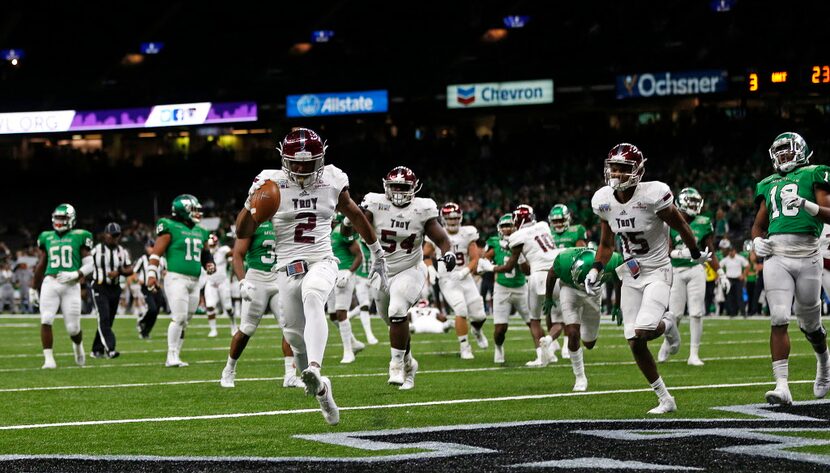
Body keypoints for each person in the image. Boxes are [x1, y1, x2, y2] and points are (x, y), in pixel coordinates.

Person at [235, 128, 388, 425]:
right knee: (294, 339)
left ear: (321, 159)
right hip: (286, 269)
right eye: (296, 163)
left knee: (314, 294)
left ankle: (316, 368)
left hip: (322, 259)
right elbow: (242, 231)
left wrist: (378, 253)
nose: (302, 169)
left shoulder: (332, 179)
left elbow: (355, 215)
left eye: (309, 163)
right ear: (284, 159)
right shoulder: (268, 181)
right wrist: (251, 205)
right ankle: (320, 389)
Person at [589, 143, 709, 414]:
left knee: (644, 330)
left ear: (638, 171)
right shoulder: (604, 200)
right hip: (631, 274)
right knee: (634, 340)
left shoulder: (653, 194)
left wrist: (695, 252)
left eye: (623, 169)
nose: (617, 174)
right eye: (614, 169)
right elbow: (606, 244)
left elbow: (682, 225)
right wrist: (596, 268)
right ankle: (665, 398)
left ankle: (668, 324)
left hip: (657, 271)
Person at [751, 132, 830, 405]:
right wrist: (756, 242)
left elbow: (829, 211)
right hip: (777, 255)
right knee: (779, 317)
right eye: (780, 151)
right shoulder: (768, 182)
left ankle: (824, 361)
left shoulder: (815, 173)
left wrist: (808, 205)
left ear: (801, 151)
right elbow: (759, 225)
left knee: (810, 325)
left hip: (808, 254)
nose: (784, 156)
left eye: (788, 150)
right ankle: (782, 385)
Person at [358, 166, 455, 389]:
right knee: (393, 321)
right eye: (395, 187)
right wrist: (348, 224)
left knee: (398, 310)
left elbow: (441, 238)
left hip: (410, 268)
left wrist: (447, 252)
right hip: (382, 271)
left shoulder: (422, 208)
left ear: (414, 188)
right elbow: (359, 223)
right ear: (386, 188)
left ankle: (396, 365)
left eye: (404, 187)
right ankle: (409, 362)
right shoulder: (375, 203)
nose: (399, 192)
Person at [220, 220, 304, 389]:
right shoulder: (254, 224)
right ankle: (229, 369)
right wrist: (242, 281)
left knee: (289, 327)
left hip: (280, 277)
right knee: (247, 329)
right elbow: (237, 254)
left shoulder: (287, 222)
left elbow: (294, 257)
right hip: (256, 278)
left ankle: (290, 375)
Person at [146, 194, 215, 367]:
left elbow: (205, 253)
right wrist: (151, 274)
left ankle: (176, 354)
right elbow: (156, 253)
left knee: (186, 319)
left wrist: (209, 263)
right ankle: (171, 356)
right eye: (193, 210)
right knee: (179, 317)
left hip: (195, 280)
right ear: (182, 211)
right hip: (176, 278)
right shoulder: (170, 227)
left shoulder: (201, 231)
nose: (198, 213)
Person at [659, 187, 724, 366]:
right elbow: (667, 249)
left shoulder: (703, 222)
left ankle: (693, 354)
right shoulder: (671, 220)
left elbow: (710, 250)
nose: (695, 206)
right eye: (691, 202)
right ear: (681, 203)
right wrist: (681, 254)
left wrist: (720, 272)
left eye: (697, 203)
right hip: (676, 271)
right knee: (675, 314)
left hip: (696, 270)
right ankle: (667, 342)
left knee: (696, 312)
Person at [544, 247, 624, 391]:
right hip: (570, 289)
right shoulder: (564, 261)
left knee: (589, 343)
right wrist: (548, 297)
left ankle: (582, 331)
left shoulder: (612, 260)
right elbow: (551, 274)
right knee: (573, 333)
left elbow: (619, 280)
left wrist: (617, 305)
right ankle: (580, 377)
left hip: (594, 293)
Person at [491, 204, 561, 367]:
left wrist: (490, 267)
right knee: (559, 320)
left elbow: (511, 266)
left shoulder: (517, 236)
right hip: (556, 273)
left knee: (534, 320)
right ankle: (549, 340)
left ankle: (540, 356)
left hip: (536, 276)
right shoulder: (543, 226)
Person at [32, 204, 95, 369]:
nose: (59, 221)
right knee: (46, 319)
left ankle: (78, 346)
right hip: (50, 282)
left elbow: (90, 264)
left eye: (63, 218)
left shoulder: (80, 236)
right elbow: (41, 263)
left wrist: (76, 274)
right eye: (58, 218)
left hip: (71, 284)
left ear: (71, 219)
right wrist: (33, 287)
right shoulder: (46, 237)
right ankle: (49, 359)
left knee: (73, 328)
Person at [432, 202, 488, 359]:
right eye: (450, 219)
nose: (453, 221)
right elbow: (426, 254)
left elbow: (475, 256)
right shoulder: (437, 232)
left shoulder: (467, 233)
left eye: (456, 218)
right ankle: (465, 347)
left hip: (465, 276)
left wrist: (465, 270)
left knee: (479, 316)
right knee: (461, 310)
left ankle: (476, 330)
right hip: (448, 279)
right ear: (443, 219)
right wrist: (430, 269)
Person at [478, 214, 532, 364]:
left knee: (533, 322)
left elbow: (527, 270)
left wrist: (521, 257)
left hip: (521, 287)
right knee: (500, 329)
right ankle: (498, 347)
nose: (507, 229)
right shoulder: (494, 242)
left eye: (510, 225)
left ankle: (543, 352)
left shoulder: (523, 240)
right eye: (504, 226)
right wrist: (483, 264)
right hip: (502, 288)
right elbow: (484, 259)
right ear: (499, 229)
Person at [90, 222, 134, 358]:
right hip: (99, 286)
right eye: (112, 235)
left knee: (108, 321)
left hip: (115, 288)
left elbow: (130, 269)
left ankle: (96, 350)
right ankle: (110, 349)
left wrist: (119, 271)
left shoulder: (122, 251)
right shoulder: (96, 250)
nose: (114, 238)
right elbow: (85, 264)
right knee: (104, 318)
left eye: (117, 236)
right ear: (105, 235)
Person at [326, 213, 366, 364]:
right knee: (333, 315)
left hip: (343, 274)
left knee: (341, 312)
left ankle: (348, 351)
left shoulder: (341, 232)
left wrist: (349, 273)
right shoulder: (326, 233)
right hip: (331, 274)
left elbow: (359, 256)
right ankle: (354, 343)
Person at [133, 239, 167, 338]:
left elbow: (165, 271)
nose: (151, 249)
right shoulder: (143, 259)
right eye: (149, 247)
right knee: (152, 308)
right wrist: (138, 280)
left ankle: (146, 331)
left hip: (157, 287)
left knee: (156, 311)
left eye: (152, 246)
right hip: (146, 286)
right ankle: (141, 321)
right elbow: (135, 272)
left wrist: (164, 277)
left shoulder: (161, 259)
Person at [205, 234, 236, 337]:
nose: (211, 247)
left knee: (228, 307)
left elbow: (232, 253)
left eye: (213, 245)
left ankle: (233, 325)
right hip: (210, 283)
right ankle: (213, 329)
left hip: (223, 282)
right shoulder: (204, 252)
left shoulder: (223, 250)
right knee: (210, 306)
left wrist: (237, 240)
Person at [720, 245, 749, 316]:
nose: (731, 253)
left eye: (732, 251)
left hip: (738, 279)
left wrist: (743, 275)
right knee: (730, 297)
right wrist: (723, 276)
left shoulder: (740, 258)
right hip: (729, 279)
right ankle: (732, 313)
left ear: (735, 251)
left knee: (739, 296)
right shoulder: (725, 259)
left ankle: (743, 312)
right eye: (729, 251)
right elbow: (719, 267)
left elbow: (747, 266)